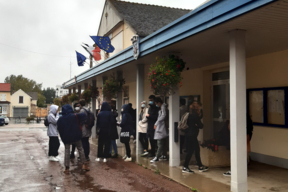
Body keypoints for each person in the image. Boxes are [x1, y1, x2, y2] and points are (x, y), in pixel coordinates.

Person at [57, 104, 89, 173]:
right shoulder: (75, 116)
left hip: (66, 137)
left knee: (67, 151)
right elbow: (84, 116)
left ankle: (67, 168)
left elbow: (59, 129)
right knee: (80, 149)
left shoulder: (61, 119)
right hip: (76, 135)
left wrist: (63, 138)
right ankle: (84, 165)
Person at [182, 102, 208, 173]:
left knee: (196, 150)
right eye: (199, 107)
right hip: (192, 135)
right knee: (191, 151)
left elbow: (198, 122)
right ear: (197, 108)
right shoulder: (195, 116)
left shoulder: (190, 115)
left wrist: (197, 124)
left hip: (189, 134)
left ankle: (200, 166)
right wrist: (197, 124)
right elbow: (201, 125)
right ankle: (185, 166)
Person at [150, 97, 169, 163]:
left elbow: (163, 116)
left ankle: (157, 157)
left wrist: (156, 123)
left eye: (156, 103)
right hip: (161, 127)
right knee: (162, 143)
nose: (156, 105)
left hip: (161, 127)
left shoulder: (163, 107)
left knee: (160, 143)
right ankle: (163, 155)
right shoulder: (162, 107)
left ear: (159, 102)